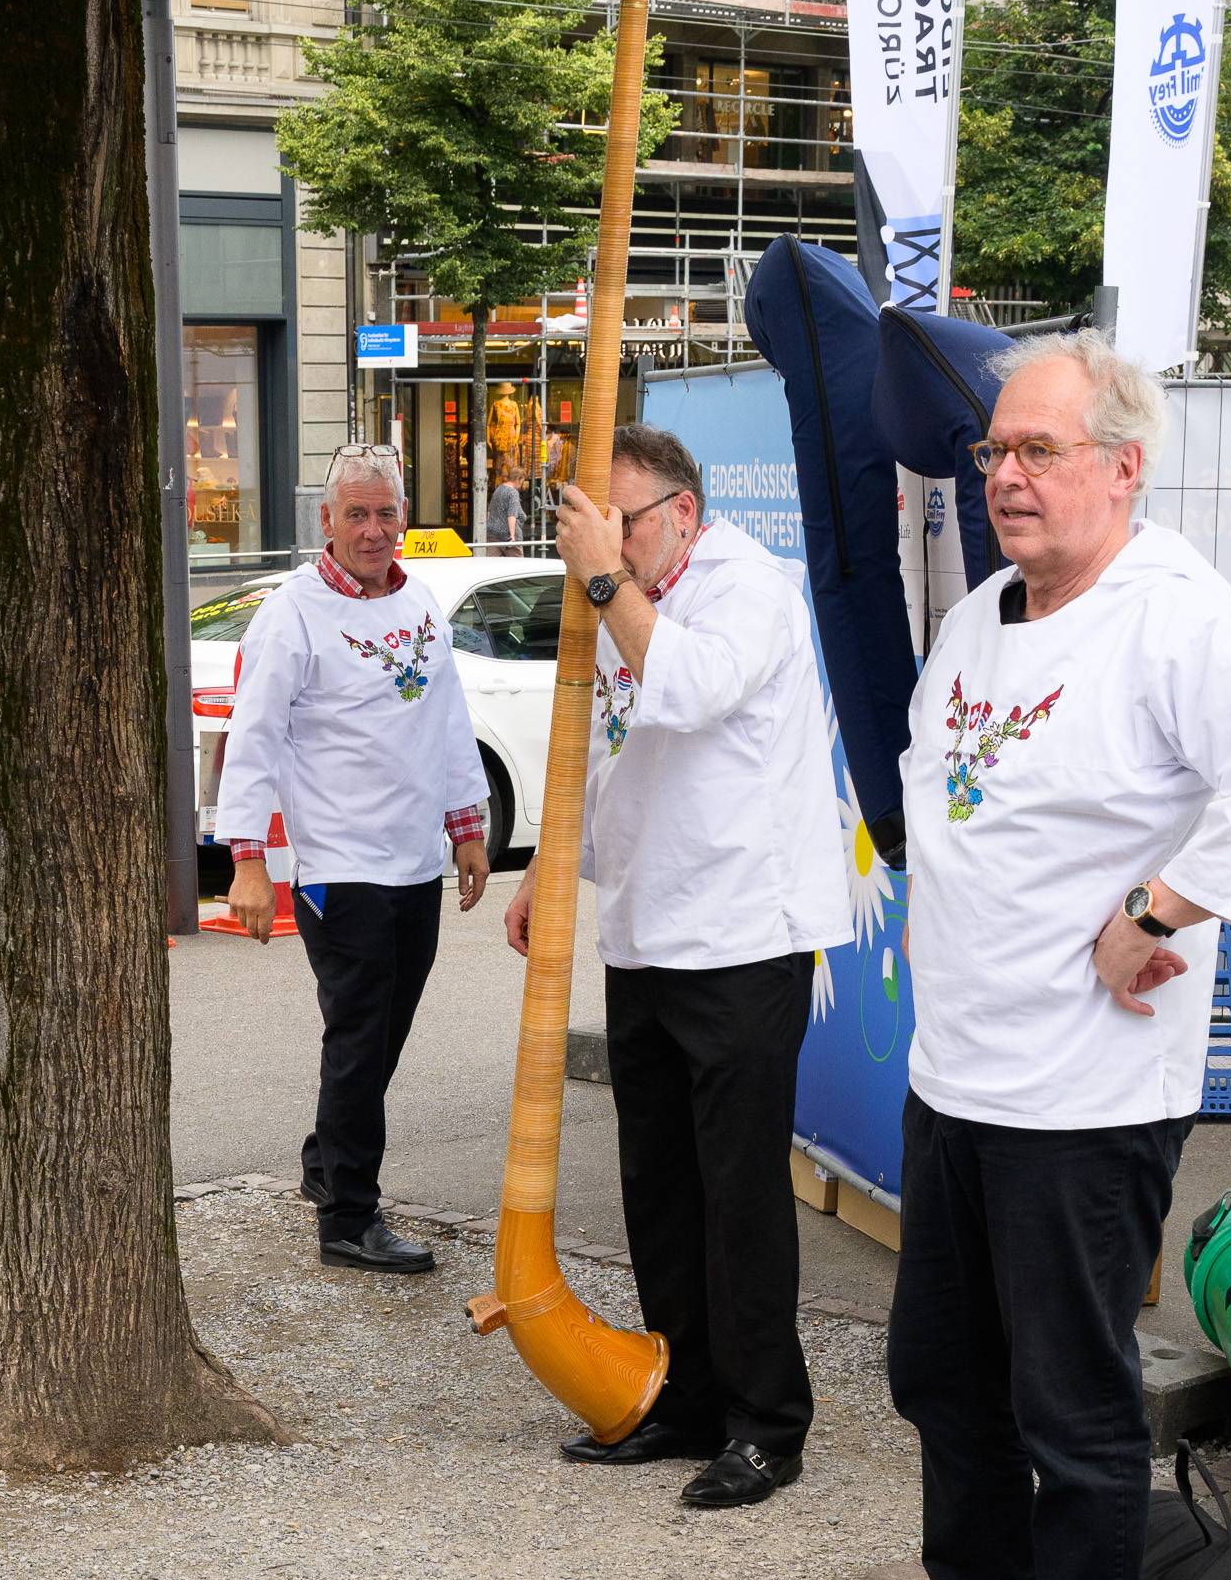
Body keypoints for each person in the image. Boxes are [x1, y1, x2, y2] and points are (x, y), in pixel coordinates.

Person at [817, 329, 1231, 1580]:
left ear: (1123, 467)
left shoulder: (1173, 615)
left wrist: (1155, 907)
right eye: (994, 451)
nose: (1005, 476)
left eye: (1038, 451)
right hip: (962, 1080)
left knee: (1073, 1406)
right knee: (945, 1376)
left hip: (1089, 1098)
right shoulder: (986, 620)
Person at [505, 419, 849, 1509]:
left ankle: (766, 1421)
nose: (597, 541)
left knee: (737, 1188)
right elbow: (621, 756)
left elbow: (689, 688)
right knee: (657, 1183)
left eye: (618, 521)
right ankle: (684, 1394)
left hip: (744, 934)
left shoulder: (750, 588)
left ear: (680, 516)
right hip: (650, 929)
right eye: (589, 523)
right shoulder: (628, 600)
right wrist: (552, 871)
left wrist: (606, 582)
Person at [215, 441, 493, 1275]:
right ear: (327, 521)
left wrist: (468, 825)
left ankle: (323, 1161)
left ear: (403, 518)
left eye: (386, 513)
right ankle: (347, 1219)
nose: (373, 531)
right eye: (356, 515)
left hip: (414, 862)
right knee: (360, 1037)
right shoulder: (293, 614)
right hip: (341, 867)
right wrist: (250, 860)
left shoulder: (419, 609)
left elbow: (445, 720)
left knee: (382, 1037)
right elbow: (253, 738)